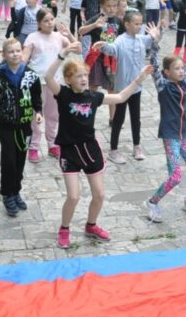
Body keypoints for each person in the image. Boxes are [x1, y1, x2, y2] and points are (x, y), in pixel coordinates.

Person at [46, 43, 152, 248]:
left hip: (91, 149)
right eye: (78, 76)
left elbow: (120, 97)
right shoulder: (64, 94)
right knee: (73, 196)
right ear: (69, 80)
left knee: (100, 194)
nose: (84, 79)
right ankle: (64, 228)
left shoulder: (94, 97)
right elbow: (48, 77)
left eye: (85, 75)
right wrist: (62, 54)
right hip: (69, 150)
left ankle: (91, 225)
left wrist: (138, 79)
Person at [0, 38, 43, 217]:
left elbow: (36, 97)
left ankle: (16, 191)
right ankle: (7, 194)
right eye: (11, 52)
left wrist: (38, 111)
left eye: (17, 51)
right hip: (6, 125)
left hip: (25, 126)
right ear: (4, 55)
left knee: (20, 160)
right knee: (9, 161)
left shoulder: (31, 75)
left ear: (22, 52)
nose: (15, 54)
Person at [144, 48, 186, 223]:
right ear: (167, 72)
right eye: (177, 68)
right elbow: (154, 64)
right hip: (171, 136)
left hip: (185, 136)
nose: (182, 71)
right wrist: (155, 43)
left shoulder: (185, 82)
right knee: (175, 177)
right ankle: (152, 202)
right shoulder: (163, 85)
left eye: (182, 68)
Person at [99, 12, 157, 164]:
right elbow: (111, 49)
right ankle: (113, 150)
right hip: (123, 88)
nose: (139, 26)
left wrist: (157, 33)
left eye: (140, 23)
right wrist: (103, 45)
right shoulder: (120, 40)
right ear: (127, 24)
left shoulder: (141, 40)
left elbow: (152, 39)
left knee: (136, 118)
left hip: (137, 87)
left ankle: (137, 146)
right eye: (136, 24)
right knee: (119, 118)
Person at [21, 9, 73, 161]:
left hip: (55, 83)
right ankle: (34, 147)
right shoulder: (32, 37)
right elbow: (24, 58)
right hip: (37, 83)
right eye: (46, 21)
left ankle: (53, 144)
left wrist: (68, 33)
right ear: (39, 23)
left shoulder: (59, 36)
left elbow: (75, 47)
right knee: (36, 115)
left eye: (52, 19)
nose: (50, 23)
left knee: (53, 115)